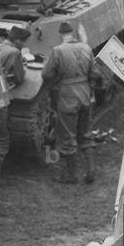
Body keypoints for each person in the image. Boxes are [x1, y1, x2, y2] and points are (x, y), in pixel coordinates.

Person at [42, 21, 96, 184]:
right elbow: (94, 73)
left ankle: (71, 175)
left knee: (67, 135)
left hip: (68, 96)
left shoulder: (58, 50)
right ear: (73, 33)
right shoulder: (86, 48)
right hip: (84, 93)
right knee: (85, 133)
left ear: (60, 34)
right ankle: (90, 171)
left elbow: (46, 74)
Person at [0, 25, 31, 160]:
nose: (22, 45)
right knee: (1, 135)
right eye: (22, 42)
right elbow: (19, 77)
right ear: (17, 41)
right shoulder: (14, 52)